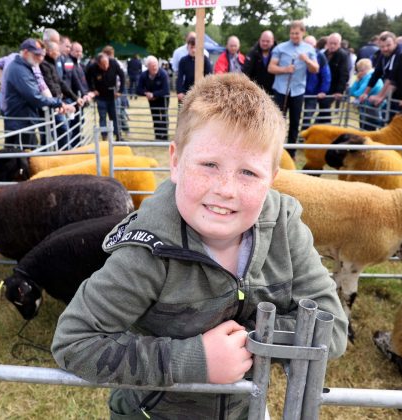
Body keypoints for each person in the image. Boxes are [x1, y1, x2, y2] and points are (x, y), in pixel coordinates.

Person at [51, 73, 348, 419]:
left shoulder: (285, 229)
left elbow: (333, 332)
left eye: (248, 173)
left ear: (272, 177)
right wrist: (195, 360)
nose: (226, 189)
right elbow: (74, 342)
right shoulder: (147, 250)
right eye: (209, 165)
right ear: (175, 161)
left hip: (245, 408)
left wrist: (250, 340)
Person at [3, 39, 72, 148]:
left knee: (27, 155)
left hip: (23, 121)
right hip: (20, 123)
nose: (40, 58)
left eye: (42, 55)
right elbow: (35, 97)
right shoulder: (19, 70)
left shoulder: (24, 67)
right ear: (25, 52)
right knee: (19, 159)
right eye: (37, 55)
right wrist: (58, 102)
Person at [268, 20, 319, 158]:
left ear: (303, 32)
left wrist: (307, 60)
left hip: (298, 91)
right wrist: (285, 69)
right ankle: (275, 151)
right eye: (292, 33)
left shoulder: (309, 50)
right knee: (279, 121)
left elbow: (315, 69)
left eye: (297, 33)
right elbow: (271, 68)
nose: (294, 36)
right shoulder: (280, 48)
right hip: (281, 90)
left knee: (295, 122)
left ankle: (291, 152)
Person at [362, 31, 402, 119]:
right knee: (386, 118)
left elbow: (392, 77)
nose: (385, 49)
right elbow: (376, 74)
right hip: (392, 92)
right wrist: (365, 93)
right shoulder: (383, 55)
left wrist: (380, 96)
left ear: (395, 42)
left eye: (388, 45)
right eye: (382, 46)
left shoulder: (401, 53)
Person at [87, 52, 125, 141]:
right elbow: (88, 79)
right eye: (103, 65)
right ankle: (104, 136)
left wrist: (120, 91)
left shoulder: (114, 63)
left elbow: (122, 76)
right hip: (101, 96)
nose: (105, 66)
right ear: (98, 64)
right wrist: (93, 89)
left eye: (106, 63)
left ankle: (118, 136)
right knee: (102, 116)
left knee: (115, 116)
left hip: (113, 95)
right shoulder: (92, 68)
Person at [317, 33, 350, 125]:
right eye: (330, 43)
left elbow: (344, 74)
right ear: (327, 43)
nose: (332, 45)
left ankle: (325, 127)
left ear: (339, 44)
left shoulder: (342, 55)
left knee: (325, 106)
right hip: (323, 87)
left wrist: (339, 91)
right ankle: (320, 126)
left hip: (334, 88)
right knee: (323, 108)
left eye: (335, 43)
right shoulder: (323, 54)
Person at [136, 56, 170, 140]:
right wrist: (146, 93)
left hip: (163, 99)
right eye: (152, 66)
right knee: (155, 117)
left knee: (164, 116)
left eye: (155, 65)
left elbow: (166, 90)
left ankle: (164, 136)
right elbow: (138, 89)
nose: (154, 67)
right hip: (152, 100)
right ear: (148, 66)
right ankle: (158, 136)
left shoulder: (163, 74)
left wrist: (153, 94)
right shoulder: (144, 75)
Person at [302, 35, 331, 129]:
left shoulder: (320, 56)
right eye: (306, 44)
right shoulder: (298, 54)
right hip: (297, 91)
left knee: (307, 116)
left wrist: (323, 90)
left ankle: (303, 136)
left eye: (311, 45)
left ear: (315, 45)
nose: (309, 47)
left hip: (312, 92)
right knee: (294, 115)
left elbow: (325, 74)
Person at [349, 59, 384, 129]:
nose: (358, 73)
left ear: (363, 70)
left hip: (372, 109)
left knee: (367, 129)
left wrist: (357, 81)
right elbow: (352, 92)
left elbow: (356, 93)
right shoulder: (369, 77)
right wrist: (358, 80)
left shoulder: (369, 78)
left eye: (359, 70)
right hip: (370, 108)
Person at [176, 37, 212, 103]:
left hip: (201, 91)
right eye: (191, 47)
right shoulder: (183, 61)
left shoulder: (205, 59)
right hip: (186, 91)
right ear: (188, 48)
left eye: (195, 47)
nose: (193, 50)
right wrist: (179, 91)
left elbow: (209, 76)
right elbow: (180, 77)